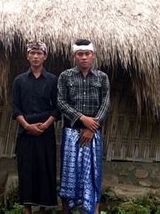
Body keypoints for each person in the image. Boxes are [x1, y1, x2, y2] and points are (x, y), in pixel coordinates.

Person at [57, 39, 110, 214]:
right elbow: (61, 102)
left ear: (93, 56)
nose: (84, 57)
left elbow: (105, 104)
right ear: (74, 56)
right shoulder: (65, 76)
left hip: (93, 134)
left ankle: (93, 211)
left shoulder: (102, 78)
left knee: (93, 173)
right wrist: (81, 118)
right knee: (69, 174)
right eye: (80, 54)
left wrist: (90, 127)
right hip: (71, 132)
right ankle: (67, 210)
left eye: (87, 54)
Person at [12, 41, 59, 213]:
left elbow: (57, 108)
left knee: (45, 169)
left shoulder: (53, 80)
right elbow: (16, 108)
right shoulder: (19, 81)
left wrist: (45, 125)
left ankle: (44, 209)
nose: (35, 56)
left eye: (39, 53)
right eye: (32, 53)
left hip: (46, 133)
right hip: (25, 133)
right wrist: (27, 126)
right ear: (27, 55)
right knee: (26, 170)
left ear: (45, 56)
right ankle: (27, 209)